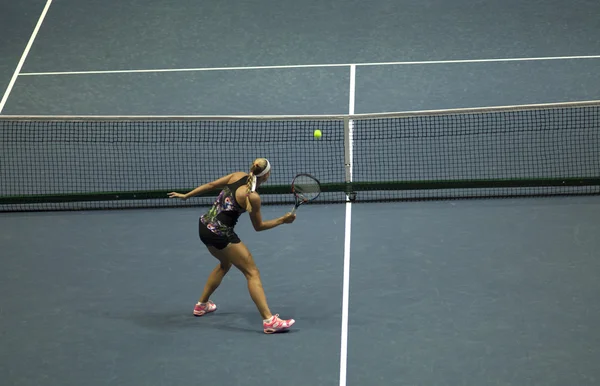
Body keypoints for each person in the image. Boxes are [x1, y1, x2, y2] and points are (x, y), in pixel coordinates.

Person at [168, 158, 296, 334]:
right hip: (220, 233)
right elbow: (258, 227)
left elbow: (212, 185)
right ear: (266, 176)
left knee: (225, 264)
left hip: (204, 227)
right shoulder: (253, 197)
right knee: (252, 273)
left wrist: (186, 195)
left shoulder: (237, 175)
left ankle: (202, 305)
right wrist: (283, 220)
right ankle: (269, 321)